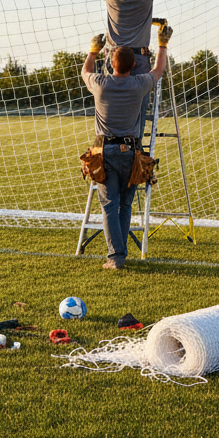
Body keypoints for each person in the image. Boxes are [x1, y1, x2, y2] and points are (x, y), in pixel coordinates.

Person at [81, 22, 172, 270]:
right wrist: (162, 44)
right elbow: (158, 70)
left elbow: (85, 71)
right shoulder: (139, 84)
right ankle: (119, 255)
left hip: (105, 153)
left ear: (110, 64)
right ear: (133, 67)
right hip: (132, 154)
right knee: (125, 204)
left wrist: (93, 50)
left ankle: (116, 257)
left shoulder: (100, 83)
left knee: (109, 205)